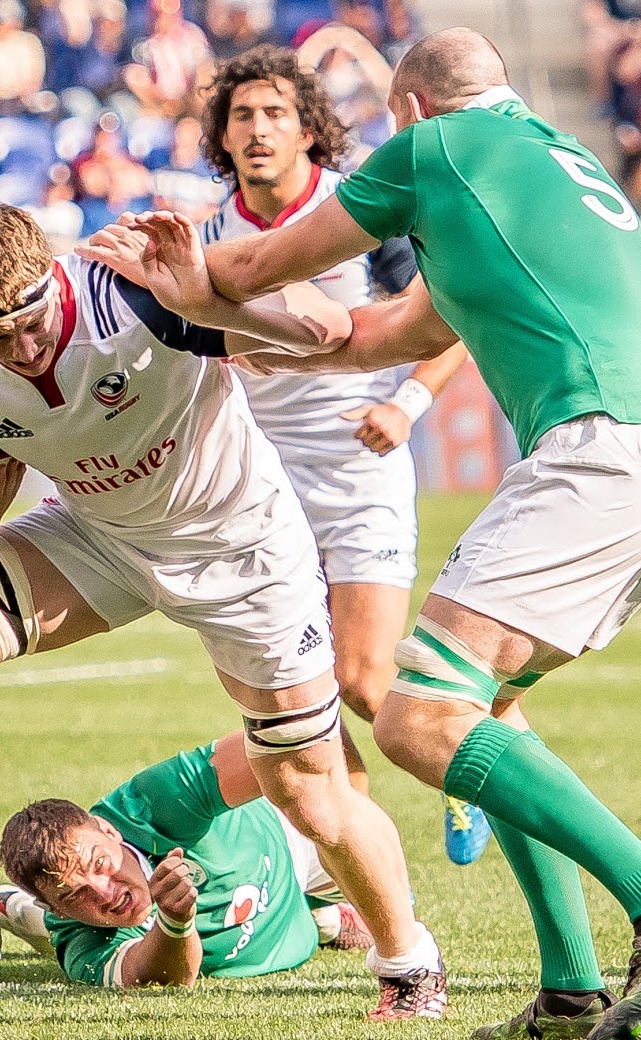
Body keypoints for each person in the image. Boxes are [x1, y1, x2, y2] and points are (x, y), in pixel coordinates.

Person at [133, 27, 641, 1040]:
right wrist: (234, 331)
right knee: (484, 705)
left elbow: (267, 260)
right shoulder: (552, 158)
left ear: (411, 110)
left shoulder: (431, 150)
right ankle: (567, 983)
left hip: (605, 447)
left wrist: (186, 288)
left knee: (414, 716)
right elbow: (368, 336)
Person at [0, 202, 446, 1020]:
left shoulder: (135, 296)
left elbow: (330, 327)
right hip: (100, 536)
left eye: (32, 316)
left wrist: (209, 301)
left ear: (55, 276)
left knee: (309, 790)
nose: (22, 344)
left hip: (242, 552)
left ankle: (409, 966)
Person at [196, 44, 485, 864]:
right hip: (259, 485)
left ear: (308, 132)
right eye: (241, 115)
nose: (257, 129)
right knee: (297, 696)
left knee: (362, 679)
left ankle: (476, 742)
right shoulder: (207, 235)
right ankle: (354, 865)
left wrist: (407, 400)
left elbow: (453, 309)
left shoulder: (358, 212)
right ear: (222, 135)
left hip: (359, 467)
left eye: (275, 114)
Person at [0, 731, 376, 988]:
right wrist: (175, 920)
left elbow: (287, 740)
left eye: (100, 865)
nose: (105, 893)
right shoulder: (82, 940)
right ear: (58, 906)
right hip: (283, 932)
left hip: (286, 844)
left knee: (359, 842)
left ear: (108, 831)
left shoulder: (153, 802)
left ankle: (16, 909)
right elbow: (161, 980)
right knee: (68, 934)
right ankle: (324, 919)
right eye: (74, 895)